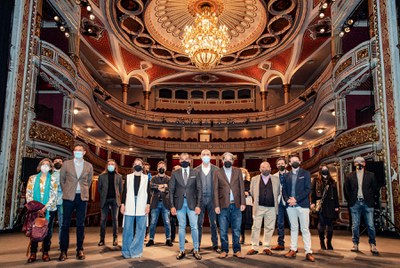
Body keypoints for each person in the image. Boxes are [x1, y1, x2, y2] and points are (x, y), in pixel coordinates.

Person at [59, 144, 93, 261]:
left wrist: (82, 191)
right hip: (68, 197)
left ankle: (80, 249)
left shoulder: (89, 166)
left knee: (80, 225)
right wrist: (67, 191)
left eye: (80, 150)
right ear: (73, 152)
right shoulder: (66, 164)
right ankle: (63, 251)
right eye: (76, 150)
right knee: (65, 225)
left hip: (82, 198)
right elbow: (62, 180)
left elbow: (88, 182)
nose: (77, 152)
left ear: (84, 152)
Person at [169, 153, 202, 260]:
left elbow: (199, 190)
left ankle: (196, 250)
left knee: (194, 227)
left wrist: (198, 205)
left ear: (190, 160)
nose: (184, 161)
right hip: (179, 204)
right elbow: (171, 191)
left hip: (192, 204)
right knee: (181, 227)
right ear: (179, 161)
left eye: (186, 159)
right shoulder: (175, 173)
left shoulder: (196, 172)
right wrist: (172, 206)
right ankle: (182, 250)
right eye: (182, 159)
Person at [213, 152, 246, 259]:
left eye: (230, 159)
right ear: (222, 161)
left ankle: (237, 250)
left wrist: (243, 202)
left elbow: (241, 187)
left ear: (233, 161)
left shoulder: (238, 171)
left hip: (236, 205)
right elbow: (215, 190)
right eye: (225, 159)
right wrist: (216, 205)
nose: (228, 161)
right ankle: (224, 250)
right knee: (223, 230)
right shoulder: (217, 172)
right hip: (223, 206)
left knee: (237, 229)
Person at [344, 156, 379, 255]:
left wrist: (370, 197)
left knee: (371, 225)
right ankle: (355, 244)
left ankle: (373, 244)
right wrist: (350, 200)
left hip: (368, 203)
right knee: (355, 225)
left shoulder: (371, 175)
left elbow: (375, 189)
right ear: (354, 164)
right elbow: (346, 190)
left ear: (364, 163)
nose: (359, 163)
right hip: (355, 203)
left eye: (361, 162)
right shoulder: (349, 176)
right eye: (357, 162)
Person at [283, 155, 315, 262]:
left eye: (296, 160)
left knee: (305, 229)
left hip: (302, 205)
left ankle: (308, 251)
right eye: (292, 161)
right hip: (290, 206)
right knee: (293, 228)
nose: (294, 162)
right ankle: (293, 249)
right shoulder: (286, 175)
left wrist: (296, 199)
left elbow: (307, 189)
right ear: (290, 164)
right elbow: (284, 190)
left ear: (300, 162)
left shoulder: (305, 173)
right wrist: (288, 200)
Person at [26, 158, 58, 263]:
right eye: (43, 164)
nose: (45, 166)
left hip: (49, 209)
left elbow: (54, 195)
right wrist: (36, 207)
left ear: (50, 168)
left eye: (47, 165)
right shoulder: (32, 178)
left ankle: (45, 252)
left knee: (47, 232)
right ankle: (33, 253)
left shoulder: (53, 180)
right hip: (35, 210)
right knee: (34, 230)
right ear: (40, 166)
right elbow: (29, 194)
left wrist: (44, 208)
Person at [247, 161, 280, 256]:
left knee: (269, 228)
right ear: (260, 169)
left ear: (270, 168)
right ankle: (254, 247)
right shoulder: (254, 179)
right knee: (256, 227)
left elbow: (278, 192)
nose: (265, 168)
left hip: (272, 208)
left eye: (267, 167)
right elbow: (252, 192)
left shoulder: (276, 179)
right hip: (259, 207)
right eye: (263, 167)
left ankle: (266, 246)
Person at [121, 158, 151, 258]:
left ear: (142, 166)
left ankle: (136, 250)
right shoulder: (128, 177)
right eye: (135, 164)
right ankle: (126, 251)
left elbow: (149, 192)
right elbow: (124, 192)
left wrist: (148, 204)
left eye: (139, 164)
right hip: (129, 203)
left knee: (141, 229)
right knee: (127, 229)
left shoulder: (146, 178)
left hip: (142, 203)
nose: (137, 165)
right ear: (133, 166)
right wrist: (122, 204)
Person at [194, 149, 219, 252]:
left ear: (211, 156)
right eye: (203, 154)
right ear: (200, 156)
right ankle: (197, 245)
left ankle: (215, 244)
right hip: (200, 200)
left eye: (207, 154)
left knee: (213, 223)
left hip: (212, 200)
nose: (205, 156)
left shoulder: (217, 169)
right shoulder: (195, 170)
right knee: (198, 223)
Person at [311, 164, 339, 250]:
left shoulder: (332, 181)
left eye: (326, 169)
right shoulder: (316, 181)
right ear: (320, 171)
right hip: (321, 205)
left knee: (330, 224)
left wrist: (336, 206)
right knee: (321, 224)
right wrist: (312, 203)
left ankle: (329, 242)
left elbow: (335, 194)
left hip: (330, 205)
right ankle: (322, 241)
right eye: (323, 169)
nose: (325, 171)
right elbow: (313, 193)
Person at [146, 161, 173, 247]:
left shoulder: (169, 178)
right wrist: (160, 186)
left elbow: (171, 188)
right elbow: (151, 186)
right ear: (157, 169)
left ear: (165, 168)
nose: (161, 168)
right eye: (159, 167)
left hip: (165, 203)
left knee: (167, 221)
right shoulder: (153, 178)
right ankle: (151, 239)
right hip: (155, 203)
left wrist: (165, 187)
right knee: (153, 222)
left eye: (163, 167)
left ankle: (168, 239)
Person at [98, 159, 123, 247]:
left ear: (115, 166)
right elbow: (99, 189)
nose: (111, 166)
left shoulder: (119, 176)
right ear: (107, 166)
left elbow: (120, 189)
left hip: (115, 200)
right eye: (109, 164)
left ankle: (115, 239)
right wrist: (104, 195)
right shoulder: (102, 176)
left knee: (115, 220)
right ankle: (102, 239)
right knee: (103, 220)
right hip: (105, 200)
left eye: (112, 164)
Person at [271, 157, 289, 251]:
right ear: (276, 165)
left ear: (286, 165)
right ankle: (280, 243)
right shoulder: (274, 176)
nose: (280, 165)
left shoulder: (291, 175)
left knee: (292, 224)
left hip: (290, 202)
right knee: (280, 223)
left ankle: (294, 246)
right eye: (279, 164)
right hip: (279, 202)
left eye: (282, 163)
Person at [52, 157, 63, 249]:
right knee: (48, 223)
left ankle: (61, 243)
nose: (58, 162)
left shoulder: (65, 174)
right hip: (50, 202)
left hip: (62, 201)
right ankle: (46, 243)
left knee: (62, 223)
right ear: (52, 163)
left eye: (60, 161)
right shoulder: (49, 174)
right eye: (56, 161)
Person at [240, 167, 252, 244]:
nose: (242, 174)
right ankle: (242, 237)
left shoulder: (249, 182)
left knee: (250, 221)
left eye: (243, 172)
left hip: (248, 203)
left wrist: (248, 193)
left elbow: (253, 191)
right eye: (241, 172)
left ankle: (254, 238)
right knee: (241, 222)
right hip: (240, 204)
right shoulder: (236, 183)